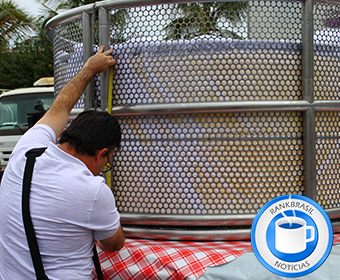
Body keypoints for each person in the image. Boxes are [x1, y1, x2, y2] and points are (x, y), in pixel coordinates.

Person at [0, 46, 125, 279]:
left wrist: (89, 68)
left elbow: (61, 106)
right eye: (107, 162)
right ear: (101, 154)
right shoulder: (93, 190)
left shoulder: (27, 150)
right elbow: (113, 243)